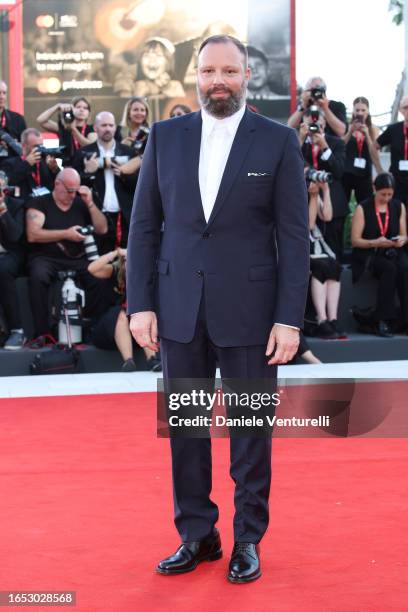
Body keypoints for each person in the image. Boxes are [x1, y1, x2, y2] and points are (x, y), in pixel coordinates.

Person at [126, 35, 309, 583]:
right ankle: (197, 534)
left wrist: (289, 317)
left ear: (248, 75)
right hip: (178, 304)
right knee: (186, 427)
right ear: (196, 76)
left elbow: (294, 237)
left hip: (252, 310)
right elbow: (143, 228)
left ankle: (248, 538)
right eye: (209, 72)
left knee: (250, 429)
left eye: (230, 71)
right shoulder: (165, 137)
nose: (219, 81)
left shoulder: (277, 141)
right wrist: (141, 305)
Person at [26, 168, 108, 341]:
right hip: (46, 257)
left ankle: (94, 327)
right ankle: (42, 332)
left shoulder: (80, 203)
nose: (72, 195)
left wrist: (90, 203)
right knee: (37, 275)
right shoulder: (40, 203)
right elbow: (33, 234)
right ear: (57, 184)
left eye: (75, 191)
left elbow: (102, 229)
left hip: (77, 258)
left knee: (99, 276)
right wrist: (66, 234)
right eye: (69, 190)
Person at [72, 112, 139, 252]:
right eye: (103, 125)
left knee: (125, 265)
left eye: (111, 125)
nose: (107, 128)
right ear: (95, 128)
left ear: (115, 128)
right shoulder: (82, 153)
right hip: (94, 217)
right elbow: (75, 187)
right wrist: (88, 173)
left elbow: (138, 186)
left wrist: (124, 174)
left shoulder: (129, 152)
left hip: (124, 218)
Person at [351, 172, 408, 337]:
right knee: (389, 269)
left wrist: (401, 240)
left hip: (391, 249)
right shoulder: (363, 208)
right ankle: (383, 319)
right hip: (369, 252)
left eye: (390, 194)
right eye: (383, 194)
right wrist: (375, 242)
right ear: (374, 189)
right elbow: (355, 240)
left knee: (404, 267)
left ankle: (404, 319)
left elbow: (404, 235)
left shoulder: (398, 206)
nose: (387, 198)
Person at [88, 248, 161, 372]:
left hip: (136, 330)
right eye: (128, 259)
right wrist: (115, 253)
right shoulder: (114, 271)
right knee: (120, 313)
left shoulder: (145, 277)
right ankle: (128, 361)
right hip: (109, 328)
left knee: (141, 312)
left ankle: (152, 359)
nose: (131, 262)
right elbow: (92, 269)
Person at [299, 108, 348, 261]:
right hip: (305, 202)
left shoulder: (336, 143)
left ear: (324, 123)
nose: (314, 129)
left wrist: (324, 146)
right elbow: (289, 166)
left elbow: (339, 172)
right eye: (310, 125)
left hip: (332, 202)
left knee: (334, 252)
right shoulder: (297, 143)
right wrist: (300, 140)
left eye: (317, 124)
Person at [308, 180, 344, 339]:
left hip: (316, 243)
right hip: (298, 244)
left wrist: (326, 190)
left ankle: (333, 319)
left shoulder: (314, 193)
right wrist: (313, 196)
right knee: (321, 266)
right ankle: (321, 319)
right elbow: (308, 224)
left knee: (334, 266)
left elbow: (328, 216)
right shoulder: (293, 193)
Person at [0, 171, 26, 349]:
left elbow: (15, 236)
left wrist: (3, 211)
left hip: (10, 254)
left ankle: (17, 330)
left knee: (2, 270)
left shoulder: (16, 205)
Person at [342, 97, 381, 205]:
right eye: (357, 110)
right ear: (353, 111)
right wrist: (350, 132)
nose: (360, 113)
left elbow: (375, 152)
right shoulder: (346, 126)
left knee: (365, 206)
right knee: (342, 205)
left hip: (364, 174)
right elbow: (340, 146)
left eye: (363, 110)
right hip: (347, 172)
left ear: (368, 111)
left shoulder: (373, 128)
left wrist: (367, 134)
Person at [2, 128, 59, 202]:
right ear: (23, 146)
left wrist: (55, 169)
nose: (39, 149)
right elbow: (8, 183)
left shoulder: (44, 162)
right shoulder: (9, 164)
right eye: (36, 146)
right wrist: (27, 163)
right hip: (24, 204)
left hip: (46, 202)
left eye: (41, 145)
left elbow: (57, 183)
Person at [36, 97, 97, 166]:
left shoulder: (91, 129)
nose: (81, 110)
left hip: (86, 166)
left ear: (89, 113)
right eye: (78, 107)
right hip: (68, 167)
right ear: (72, 109)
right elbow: (41, 120)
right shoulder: (64, 127)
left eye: (85, 108)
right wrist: (57, 106)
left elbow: (90, 145)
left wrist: (73, 129)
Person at [376, 96, 408, 205]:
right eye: (406, 107)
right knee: (396, 216)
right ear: (401, 110)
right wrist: (380, 170)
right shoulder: (393, 129)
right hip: (396, 182)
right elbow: (374, 146)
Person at [0, 80, 26, 145]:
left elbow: (25, 147)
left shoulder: (18, 119)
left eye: (4, 93)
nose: (2, 97)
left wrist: (12, 145)